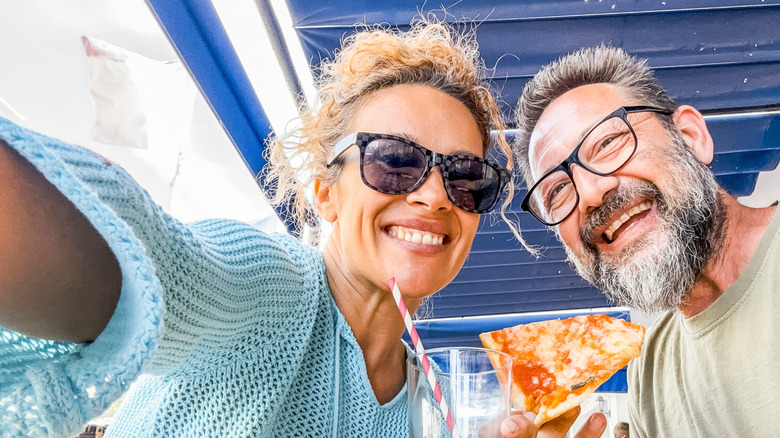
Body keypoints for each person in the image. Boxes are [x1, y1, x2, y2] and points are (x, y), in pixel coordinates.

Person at [0, 21, 606, 438]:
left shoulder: (432, 401)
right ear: (325, 193)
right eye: (393, 160)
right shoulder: (269, 287)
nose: (432, 195)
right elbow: (147, 261)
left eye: (467, 176)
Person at [513, 45, 779, 437]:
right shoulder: (648, 371)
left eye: (607, 143)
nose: (589, 193)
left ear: (690, 137)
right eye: (556, 192)